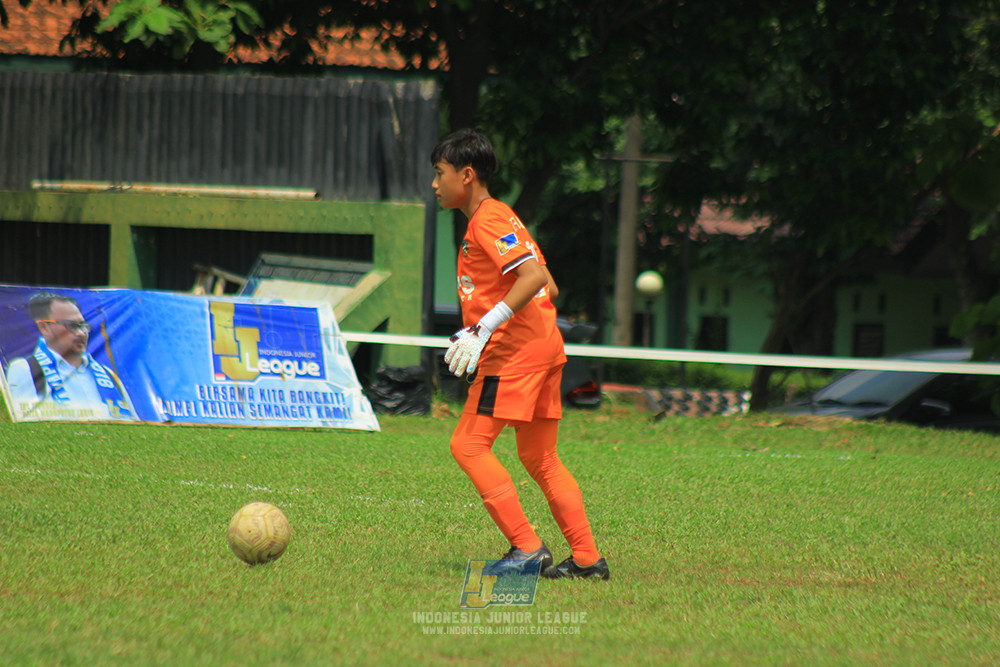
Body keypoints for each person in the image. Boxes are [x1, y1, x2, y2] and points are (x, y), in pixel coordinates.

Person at [432, 129, 609, 580]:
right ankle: (587, 560)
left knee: (468, 445)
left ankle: (527, 547)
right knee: (540, 458)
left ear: (466, 175)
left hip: (516, 354)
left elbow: (532, 277)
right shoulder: (502, 216)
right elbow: (548, 282)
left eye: (440, 173)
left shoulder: (487, 220)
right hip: (544, 348)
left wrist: (483, 326)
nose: (435, 184)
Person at [4, 291, 137, 421]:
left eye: (83, 326)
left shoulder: (107, 375)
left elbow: (131, 424)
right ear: (44, 327)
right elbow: (26, 425)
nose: (81, 333)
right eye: (72, 326)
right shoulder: (27, 369)